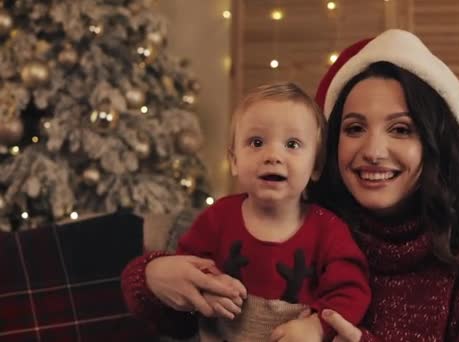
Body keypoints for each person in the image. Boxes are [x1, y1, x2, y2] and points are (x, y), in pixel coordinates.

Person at [274, 28, 459, 341]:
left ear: (434, 143)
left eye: (400, 129)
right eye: (354, 128)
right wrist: (196, 303)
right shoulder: (295, 231)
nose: (372, 151)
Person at [121, 82, 370, 341]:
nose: (273, 155)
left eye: (293, 144)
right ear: (234, 161)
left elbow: (351, 291)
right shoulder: (217, 219)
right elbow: (189, 274)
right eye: (257, 142)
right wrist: (207, 290)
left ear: (316, 166)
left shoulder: (328, 229)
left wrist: (317, 326)